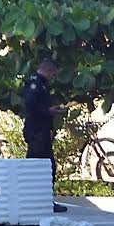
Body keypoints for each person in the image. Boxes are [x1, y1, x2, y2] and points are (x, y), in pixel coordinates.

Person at [22, 57, 67, 212]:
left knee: (41, 166)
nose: (52, 78)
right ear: (48, 70)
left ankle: (39, 200)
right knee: (43, 166)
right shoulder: (35, 83)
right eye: (53, 75)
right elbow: (30, 103)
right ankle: (39, 200)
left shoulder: (41, 84)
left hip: (40, 130)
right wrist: (48, 111)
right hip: (36, 131)